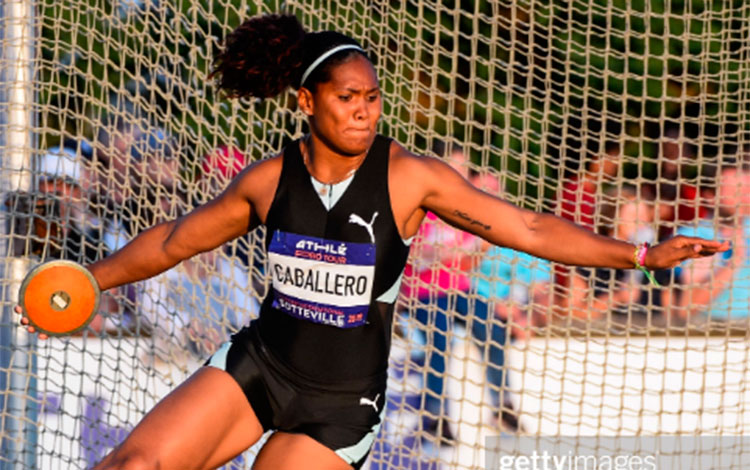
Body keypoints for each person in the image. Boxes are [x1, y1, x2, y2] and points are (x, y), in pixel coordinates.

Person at [17, 14, 728, 470]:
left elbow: (530, 228)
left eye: (372, 98)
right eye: (345, 98)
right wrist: (88, 280)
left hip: (340, 403)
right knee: (131, 468)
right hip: (258, 368)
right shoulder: (269, 181)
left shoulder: (410, 179)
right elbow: (174, 242)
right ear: (306, 102)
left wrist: (638, 255)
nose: (362, 111)